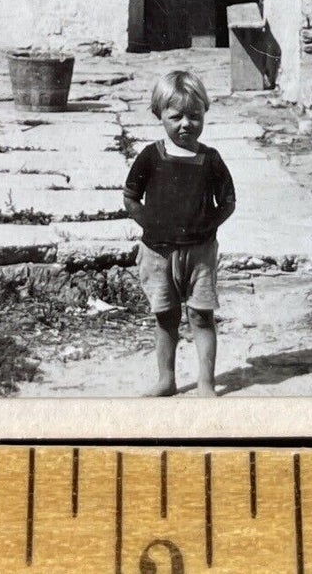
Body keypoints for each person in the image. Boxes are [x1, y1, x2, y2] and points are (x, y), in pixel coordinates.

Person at [122, 70, 236, 397]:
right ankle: (166, 379)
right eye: (176, 117)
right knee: (165, 318)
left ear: (204, 115)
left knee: (201, 316)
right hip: (158, 253)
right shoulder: (150, 157)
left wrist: (206, 225)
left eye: (194, 116)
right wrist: (151, 225)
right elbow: (131, 197)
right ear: (159, 115)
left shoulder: (210, 160)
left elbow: (227, 202)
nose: (186, 123)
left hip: (199, 254)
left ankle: (205, 383)